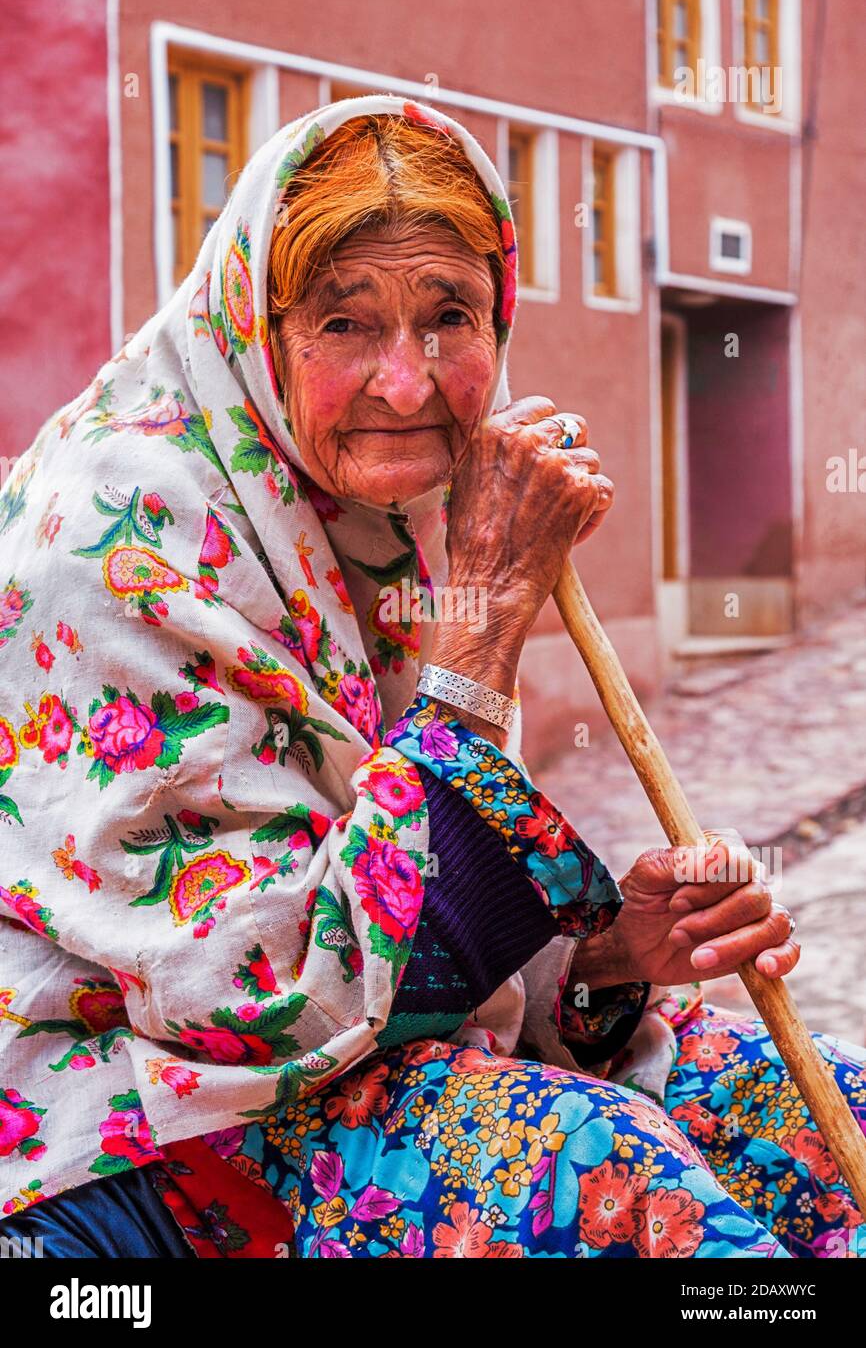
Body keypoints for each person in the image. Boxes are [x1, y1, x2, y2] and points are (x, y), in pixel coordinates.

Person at [0, 95, 863, 1259]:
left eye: (447, 316)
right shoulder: (122, 537)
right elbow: (277, 1009)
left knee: (802, 1108)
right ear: (260, 324)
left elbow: (401, 896)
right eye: (343, 325)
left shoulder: (374, 512)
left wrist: (604, 959)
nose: (406, 383)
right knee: (602, 1177)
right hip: (151, 1128)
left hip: (358, 1059)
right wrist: (485, 620)